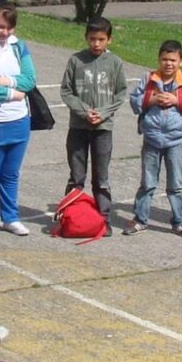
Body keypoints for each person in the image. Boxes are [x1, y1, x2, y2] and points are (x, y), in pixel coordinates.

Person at [125, 41, 182, 238]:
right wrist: (151, 100)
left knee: (176, 185)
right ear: (159, 59)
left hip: (176, 140)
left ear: (181, 61)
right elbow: (134, 102)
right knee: (147, 183)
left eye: (173, 60)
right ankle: (140, 219)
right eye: (165, 59)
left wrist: (177, 101)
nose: (168, 63)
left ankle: (179, 221)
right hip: (151, 138)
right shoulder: (148, 79)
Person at [0, 0, 38, 236]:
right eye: (0, 26)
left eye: (9, 27)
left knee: (11, 174)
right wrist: (14, 93)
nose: (5, 32)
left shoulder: (19, 46)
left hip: (20, 120)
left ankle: (10, 217)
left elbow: (30, 79)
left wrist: (7, 81)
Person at [60, 18, 127, 218]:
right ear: (86, 37)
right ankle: (70, 216)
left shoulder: (115, 62)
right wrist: (83, 111)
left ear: (109, 40)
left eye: (101, 39)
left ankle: (103, 217)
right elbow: (66, 91)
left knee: (101, 177)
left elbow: (120, 93)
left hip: (103, 129)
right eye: (92, 39)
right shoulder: (76, 60)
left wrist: (103, 113)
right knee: (76, 176)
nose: (96, 44)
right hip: (78, 127)